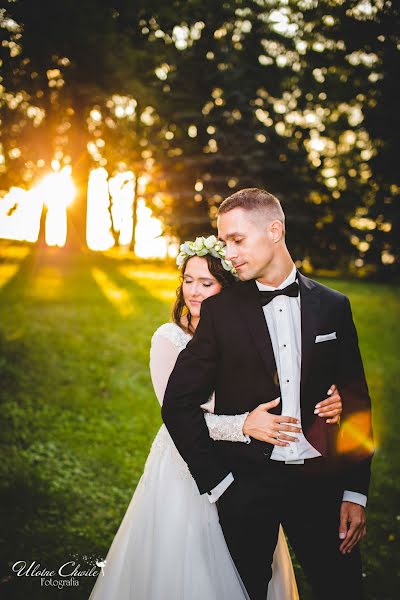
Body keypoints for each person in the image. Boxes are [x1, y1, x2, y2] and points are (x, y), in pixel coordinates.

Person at [89, 235, 343, 600]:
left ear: (226, 288)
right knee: (187, 564)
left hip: (244, 465)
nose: (194, 291)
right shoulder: (168, 339)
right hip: (186, 463)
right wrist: (243, 424)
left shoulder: (241, 332)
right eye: (188, 280)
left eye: (206, 283)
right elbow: (177, 413)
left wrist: (329, 397)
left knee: (248, 559)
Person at [163, 189, 374, 600]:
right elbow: (178, 403)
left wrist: (355, 491)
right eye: (223, 241)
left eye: (237, 240)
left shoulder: (333, 306)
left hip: (321, 484)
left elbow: (357, 400)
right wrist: (218, 484)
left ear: (274, 230)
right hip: (246, 485)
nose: (229, 253)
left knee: (343, 588)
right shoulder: (221, 311)